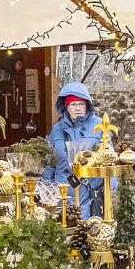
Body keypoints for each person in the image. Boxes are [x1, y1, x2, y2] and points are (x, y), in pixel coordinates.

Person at [45, 81, 103, 218]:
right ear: (66, 107)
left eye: (81, 104)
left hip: (89, 190)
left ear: (87, 105)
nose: (77, 108)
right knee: (63, 229)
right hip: (62, 190)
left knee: (87, 230)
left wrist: (111, 187)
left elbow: (109, 157)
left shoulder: (99, 125)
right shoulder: (57, 129)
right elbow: (49, 162)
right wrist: (45, 188)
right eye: (73, 104)